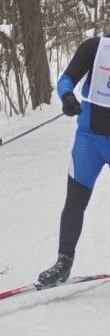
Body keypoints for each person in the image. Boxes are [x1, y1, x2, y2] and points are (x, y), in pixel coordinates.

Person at [37, 33, 110, 286]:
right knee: (75, 201)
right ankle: (63, 263)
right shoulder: (95, 47)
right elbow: (66, 79)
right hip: (89, 139)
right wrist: (68, 98)